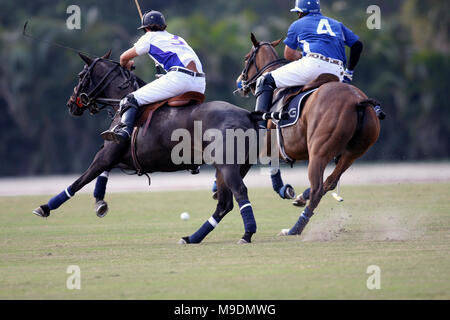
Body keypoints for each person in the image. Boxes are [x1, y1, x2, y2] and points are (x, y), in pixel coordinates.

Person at [254, 0, 366, 128]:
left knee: (264, 80)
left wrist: (301, 55)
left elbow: (289, 55)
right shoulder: (336, 24)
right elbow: (358, 45)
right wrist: (349, 72)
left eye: (298, 13)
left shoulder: (297, 24)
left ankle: (260, 126)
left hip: (312, 66)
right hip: (337, 71)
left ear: (301, 12)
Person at [101, 10, 206, 143]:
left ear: (146, 28)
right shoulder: (177, 38)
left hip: (180, 79)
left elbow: (123, 58)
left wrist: (127, 64)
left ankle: (124, 131)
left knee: (129, 99)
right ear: (163, 26)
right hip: (200, 83)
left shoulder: (149, 37)